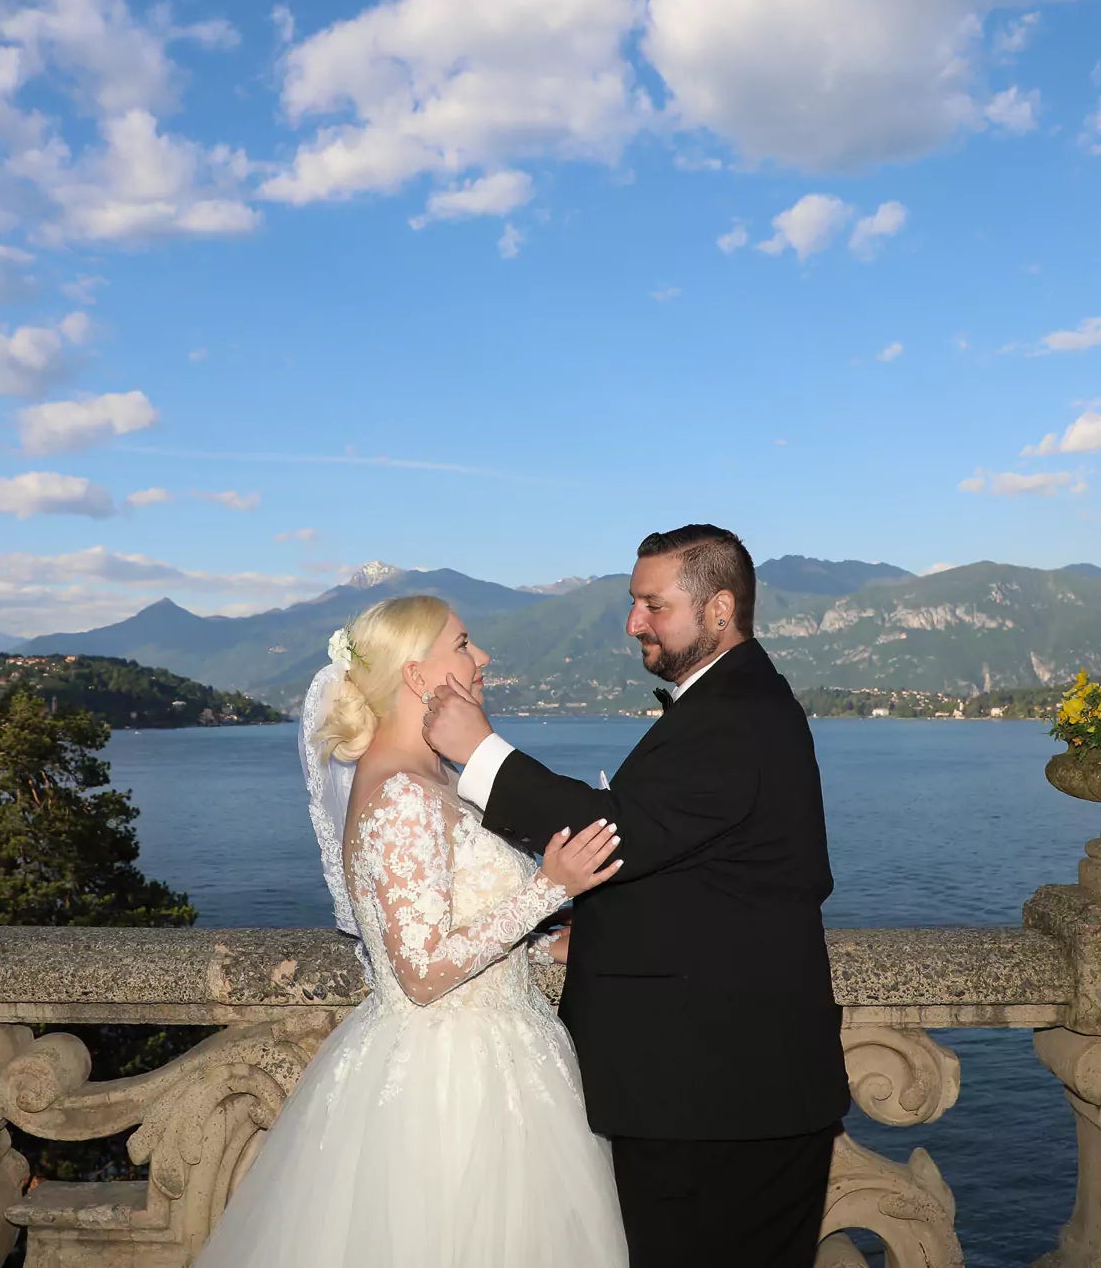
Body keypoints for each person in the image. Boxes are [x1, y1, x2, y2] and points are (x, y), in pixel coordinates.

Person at [425, 524, 848, 1268]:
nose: (632, 622)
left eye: (654, 605)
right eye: (633, 602)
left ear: (720, 609)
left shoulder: (737, 713)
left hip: (722, 1100)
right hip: (716, 1090)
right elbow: (700, 873)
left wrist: (480, 752)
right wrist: (588, 931)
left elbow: (619, 833)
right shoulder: (731, 702)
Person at [195, 594, 629, 1268]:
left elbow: (454, 919)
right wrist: (551, 887)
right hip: (451, 1083)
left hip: (504, 1053)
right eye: (464, 643)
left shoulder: (436, 776)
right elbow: (422, 972)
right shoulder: (401, 793)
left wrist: (546, 945)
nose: (483, 656)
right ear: (416, 674)